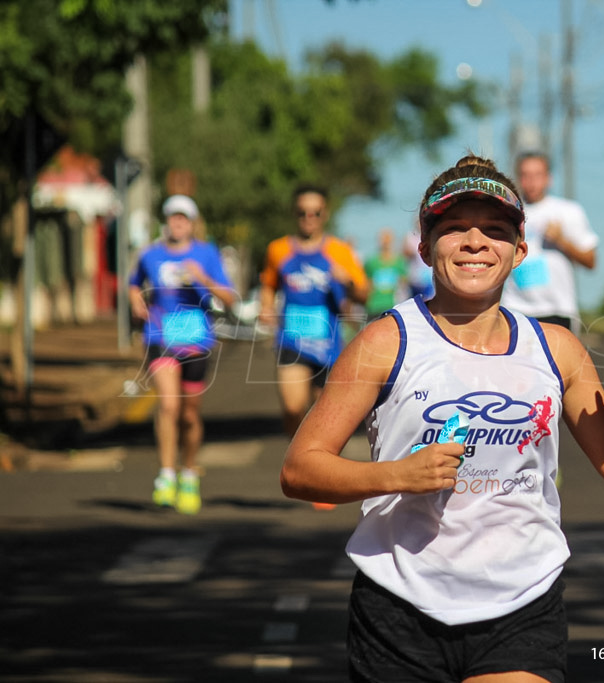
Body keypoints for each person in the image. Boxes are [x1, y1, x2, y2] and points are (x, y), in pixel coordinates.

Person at [280, 155, 604, 682]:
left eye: (495, 231)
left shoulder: (557, 349)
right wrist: (396, 475)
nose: (475, 242)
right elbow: (300, 469)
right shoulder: (385, 343)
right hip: (400, 606)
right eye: (454, 229)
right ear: (425, 246)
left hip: (523, 604)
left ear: (520, 250)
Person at [128, 195, 237, 515]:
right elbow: (134, 284)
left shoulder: (206, 253)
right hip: (161, 336)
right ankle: (165, 474)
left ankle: (189, 472)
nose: (177, 223)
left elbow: (230, 297)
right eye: (172, 218)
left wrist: (201, 278)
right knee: (169, 404)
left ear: (191, 223)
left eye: (183, 218)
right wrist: (136, 300)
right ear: (166, 221)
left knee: (190, 415)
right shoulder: (151, 255)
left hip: (196, 340)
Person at [259, 184, 368, 438]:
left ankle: (314, 466)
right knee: (293, 407)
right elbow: (268, 284)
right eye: (302, 213)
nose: (309, 219)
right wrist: (266, 306)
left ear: (325, 214)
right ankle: (296, 460)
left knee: (324, 420)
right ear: (294, 213)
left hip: (327, 345)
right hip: (292, 341)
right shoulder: (278, 250)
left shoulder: (339, 251)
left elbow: (363, 293)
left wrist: (346, 281)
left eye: (315, 213)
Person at [501, 151, 598, 330]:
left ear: (549, 178)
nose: (531, 182)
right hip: (515, 307)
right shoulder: (507, 213)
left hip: (556, 309)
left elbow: (591, 261)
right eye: (525, 175)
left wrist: (561, 240)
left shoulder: (568, 211)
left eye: (537, 175)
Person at [363, 226, 408, 319]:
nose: (385, 242)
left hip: (393, 305)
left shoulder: (399, 262)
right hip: (374, 306)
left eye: (388, 239)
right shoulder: (372, 262)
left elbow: (404, 283)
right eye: (383, 239)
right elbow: (367, 283)